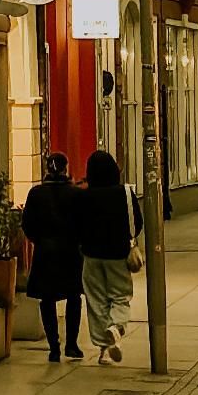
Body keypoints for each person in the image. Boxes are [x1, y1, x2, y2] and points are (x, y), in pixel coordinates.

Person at [20, 153, 86, 361]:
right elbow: (84, 224)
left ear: (47, 169)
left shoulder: (36, 194)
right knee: (73, 297)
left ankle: (54, 347)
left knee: (47, 299)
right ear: (66, 168)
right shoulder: (75, 194)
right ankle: (72, 344)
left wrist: (39, 240)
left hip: (45, 252)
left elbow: (27, 224)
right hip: (71, 252)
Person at [79, 148, 139, 365]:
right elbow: (137, 222)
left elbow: (77, 226)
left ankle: (104, 350)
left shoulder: (85, 196)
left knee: (96, 301)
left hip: (91, 255)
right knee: (120, 296)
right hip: (118, 254)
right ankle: (117, 327)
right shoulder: (124, 194)